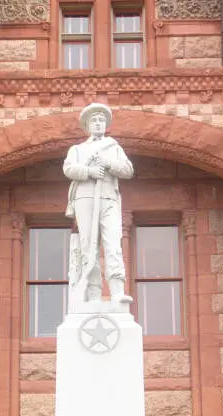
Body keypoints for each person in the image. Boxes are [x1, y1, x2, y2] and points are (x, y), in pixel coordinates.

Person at [63, 103, 134, 306]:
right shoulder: (77, 149)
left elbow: (128, 170)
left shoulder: (114, 147)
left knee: (113, 244)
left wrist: (109, 163)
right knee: (89, 246)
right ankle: (93, 294)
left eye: (101, 120)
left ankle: (117, 291)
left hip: (108, 197)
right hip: (85, 198)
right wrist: (90, 172)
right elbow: (68, 169)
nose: (98, 123)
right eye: (94, 120)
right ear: (87, 125)